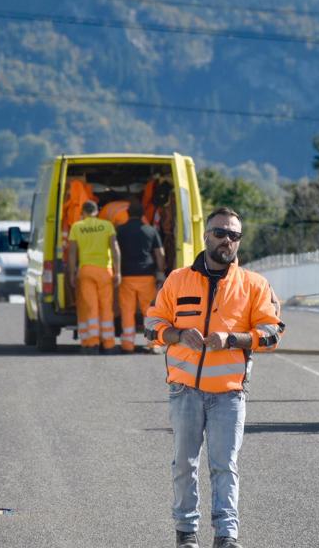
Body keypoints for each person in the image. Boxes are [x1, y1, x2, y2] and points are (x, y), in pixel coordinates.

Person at [145, 207, 284, 548]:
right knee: (184, 465)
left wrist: (233, 340)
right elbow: (151, 325)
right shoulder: (177, 279)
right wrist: (176, 335)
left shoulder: (254, 285)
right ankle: (186, 533)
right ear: (206, 235)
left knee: (225, 466)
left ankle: (226, 535)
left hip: (228, 394)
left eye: (234, 235)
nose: (227, 240)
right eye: (220, 232)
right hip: (185, 391)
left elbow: (272, 333)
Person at [67, 201, 122, 354]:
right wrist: (118, 272)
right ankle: (109, 344)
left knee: (90, 307)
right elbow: (115, 249)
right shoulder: (107, 226)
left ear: (83, 212)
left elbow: (72, 253)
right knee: (106, 307)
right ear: (96, 211)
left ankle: (92, 344)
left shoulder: (77, 227)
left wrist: (72, 273)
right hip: (105, 271)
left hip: (86, 271)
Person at [116, 201, 166, 353]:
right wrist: (160, 271)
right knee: (149, 311)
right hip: (146, 276)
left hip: (126, 277)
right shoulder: (150, 231)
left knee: (127, 311)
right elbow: (160, 254)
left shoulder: (120, 230)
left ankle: (127, 345)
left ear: (128, 213)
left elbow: (114, 252)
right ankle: (153, 344)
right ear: (143, 214)